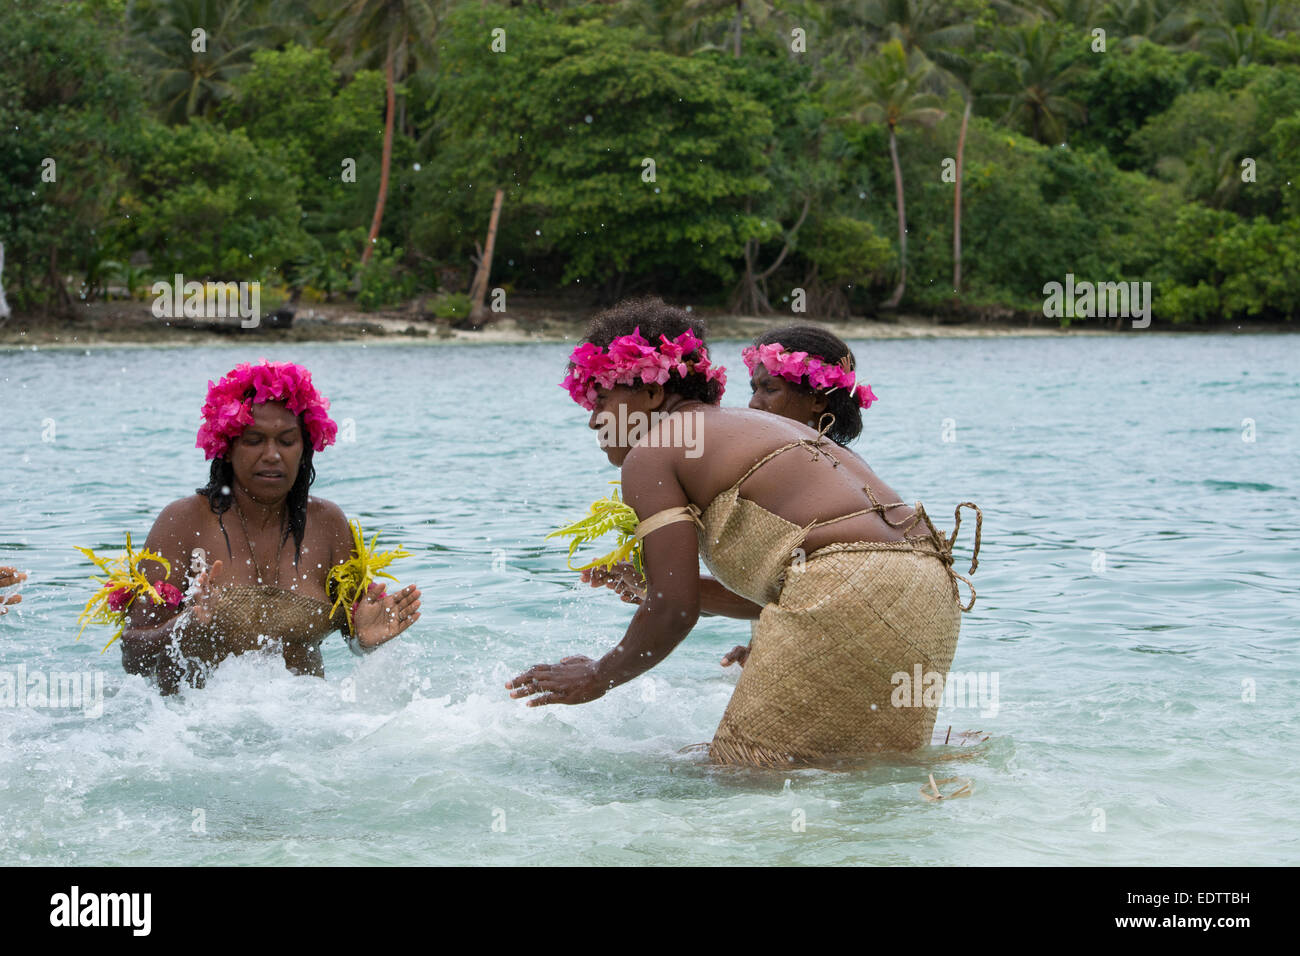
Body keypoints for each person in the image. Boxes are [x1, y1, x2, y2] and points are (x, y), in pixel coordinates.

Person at [508, 298, 980, 768]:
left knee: (740, 777)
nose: (593, 418)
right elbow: (819, 570)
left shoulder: (654, 450)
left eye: (603, 399)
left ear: (652, 394)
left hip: (852, 586)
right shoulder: (762, 426)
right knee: (852, 772)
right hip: (933, 590)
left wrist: (598, 674)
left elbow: (675, 608)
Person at [585, 324, 877, 668]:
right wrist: (762, 639)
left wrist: (599, 673)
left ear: (817, 401)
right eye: (754, 388)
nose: (754, 403)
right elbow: (780, 590)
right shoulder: (797, 462)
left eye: (770, 389)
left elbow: (810, 585)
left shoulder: (817, 463)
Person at [120, 360, 422, 693]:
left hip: (304, 724)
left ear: (305, 448)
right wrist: (183, 627)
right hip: (193, 727)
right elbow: (133, 657)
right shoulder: (184, 522)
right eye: (253, 440)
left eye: (287, 441)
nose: (272, 455)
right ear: (227, 446)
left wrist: (365, 640)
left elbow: (355, 636)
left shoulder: (329, 525)